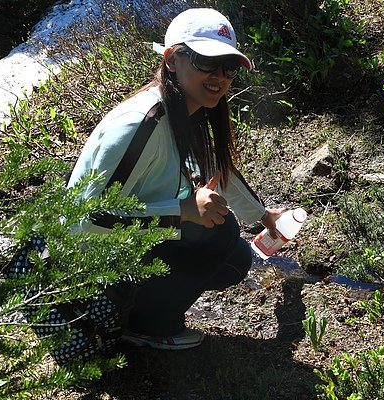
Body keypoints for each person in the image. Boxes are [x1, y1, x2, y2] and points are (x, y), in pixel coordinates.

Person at [66, 8, 284, 350]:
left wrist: (264, 217)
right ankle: (145, 325)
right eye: (205, 62)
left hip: (126, 246)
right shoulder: (139, 126)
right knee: (219, 230)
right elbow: (87, 218)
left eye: (229, 67)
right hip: (88, 266)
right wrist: (182, 210)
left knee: (235, 259)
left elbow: (218, 172)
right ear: (171, 60)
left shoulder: (187, 112)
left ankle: (143, 308)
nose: (220, 76)